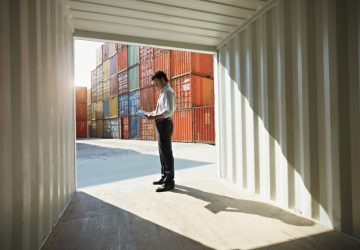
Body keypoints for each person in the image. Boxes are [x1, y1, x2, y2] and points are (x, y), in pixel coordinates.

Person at [140, 71, 176, 192]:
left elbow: (168, 112)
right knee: (162, 153)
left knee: (166, 153)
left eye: (156, 82)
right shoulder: (163, 93)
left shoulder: (168, 92)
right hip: (161, 124)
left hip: (165, 124)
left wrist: (153, 117)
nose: (155, 85)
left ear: (162, 79)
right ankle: (164, 176)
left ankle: (169, 182)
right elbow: (160, 111)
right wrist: (148, 113)